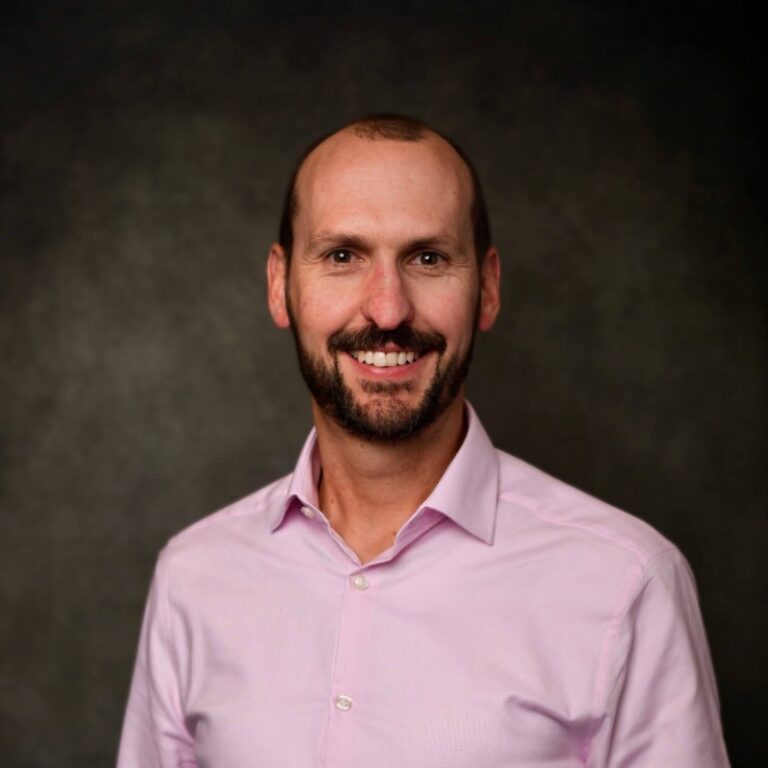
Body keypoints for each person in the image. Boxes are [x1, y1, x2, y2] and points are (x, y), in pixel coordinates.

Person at [116, 115, 730, 767]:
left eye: (428, 258)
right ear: (279, 284)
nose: (388, 310)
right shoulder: (194, 576)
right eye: (343, 256)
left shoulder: (625, 582)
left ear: (487, 288)